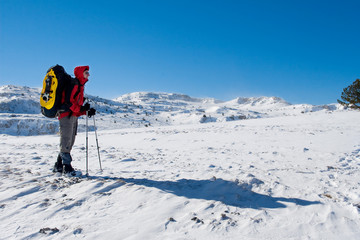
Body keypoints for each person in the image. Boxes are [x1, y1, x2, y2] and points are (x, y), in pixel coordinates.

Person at [53, 65, 96, 174]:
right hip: (66, 115)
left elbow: (75, 108)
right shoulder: (74, 84)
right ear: (81, 73)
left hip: (72, 116)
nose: (88, 75)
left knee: (70, 140)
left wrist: (85, 111)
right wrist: (81, 108)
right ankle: (66, 167)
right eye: (86, 72)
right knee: (66, 140)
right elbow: (69, 103)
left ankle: (58, 165)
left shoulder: (80, 86)